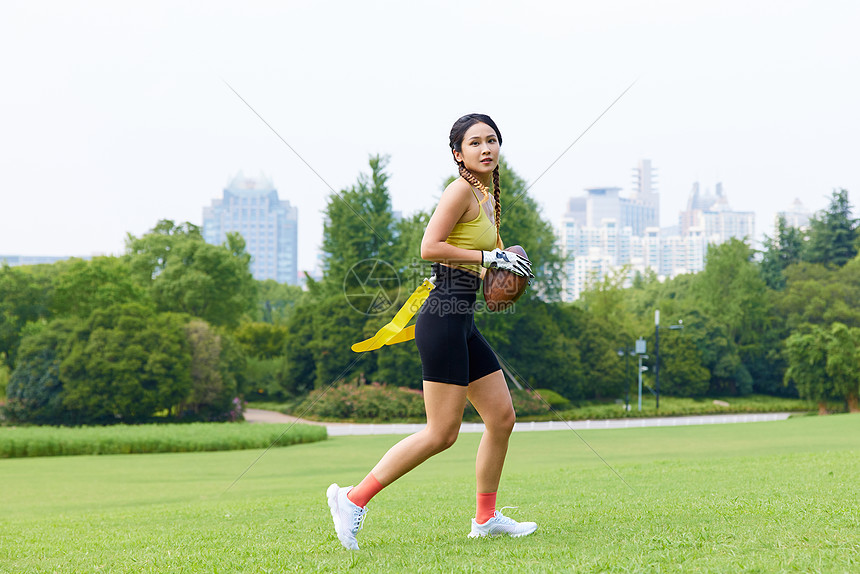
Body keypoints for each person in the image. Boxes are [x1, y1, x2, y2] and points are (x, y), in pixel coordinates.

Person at [327, 113, 535, 550]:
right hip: (441, 317)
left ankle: (485, 517)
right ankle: (352, 498)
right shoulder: (460, 190)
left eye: (491, 140)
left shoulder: (486, 198)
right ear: (458, 154)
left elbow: (481, 267)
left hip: (463, 321)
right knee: (441, 432)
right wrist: (489, 260)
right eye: (474, 142)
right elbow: (429, 247)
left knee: (501, 418)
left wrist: (504, 267)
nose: (485, 148)